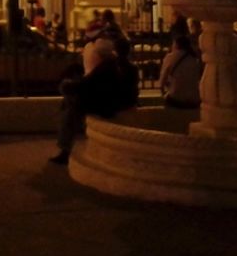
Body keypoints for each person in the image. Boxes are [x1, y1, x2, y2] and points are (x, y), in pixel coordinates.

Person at [50, 25, 137, 165]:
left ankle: (65, 149)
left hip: (106, 105)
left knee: (71, 110)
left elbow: (86, 85)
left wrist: (65, 86)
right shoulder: (125, 67)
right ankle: (65, 144)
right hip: (114, 102)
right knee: (70, 103)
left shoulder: (107, 67)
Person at [158, 35, 203, 109]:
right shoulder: (194, 58)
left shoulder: (170, 57)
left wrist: (163, 92)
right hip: (194, 100)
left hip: (176, 99)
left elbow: (162, 80)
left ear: (176, 44)